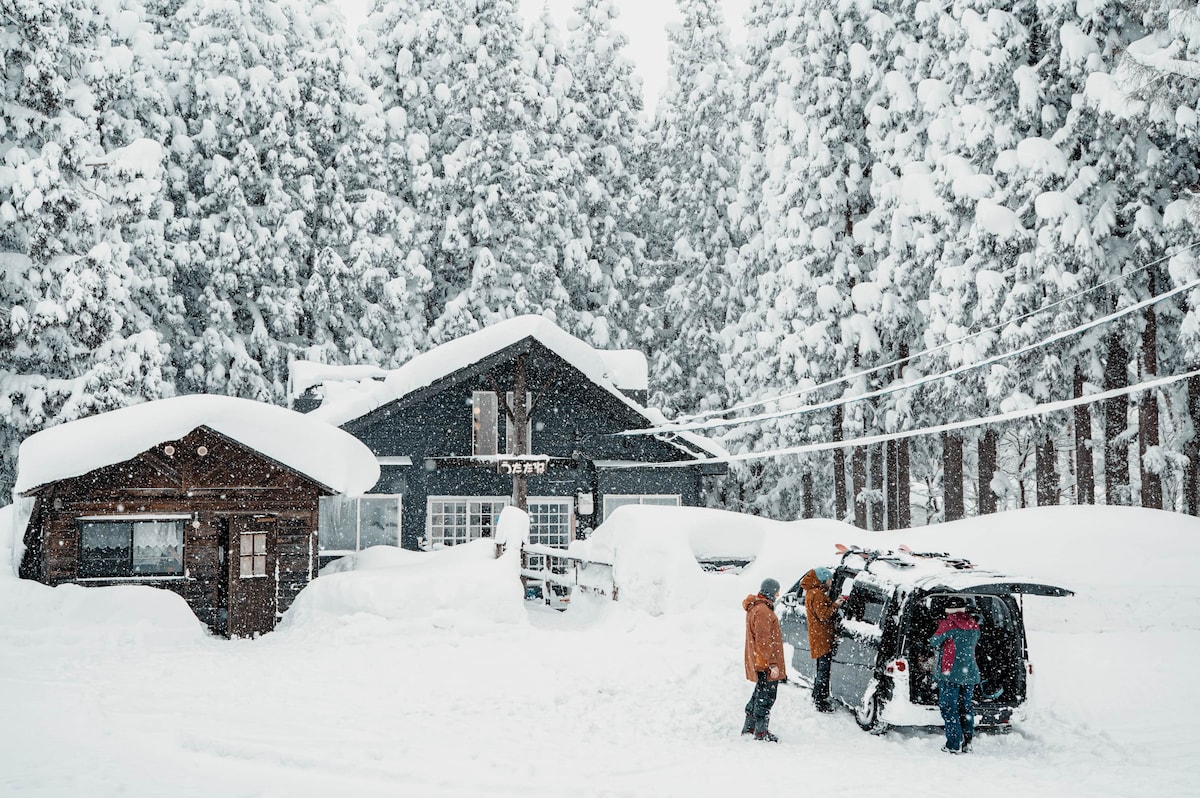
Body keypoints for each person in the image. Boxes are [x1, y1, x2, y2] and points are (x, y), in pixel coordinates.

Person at [929, 594, 982, 753]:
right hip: (970, 673)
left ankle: (953, 743)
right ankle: (967, 742)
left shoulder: (948, 624)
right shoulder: (974, 624)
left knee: (949, 707)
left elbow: (933, 642)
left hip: (950, 673)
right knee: (965, 708)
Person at [742, 577, 787, 742]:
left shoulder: (757, 608)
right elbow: (763, 641)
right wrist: (773, 664)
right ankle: (761, 732)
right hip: (765, 663)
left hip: (760, 661)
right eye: (776, 591)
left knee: (759, 694)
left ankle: (750, 727)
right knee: (766, 696)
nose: (777, 594)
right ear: (770, 592)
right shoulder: (763, 612)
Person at [801, 566, 844, 712]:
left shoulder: (812, 592)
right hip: (822, 637)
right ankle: (820, 700)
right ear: (823, 579)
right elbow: (824, 615)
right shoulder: (817, 594)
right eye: (830, 579)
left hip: (818, 636)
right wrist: (836, 604)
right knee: (823, 670)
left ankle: (817, 695)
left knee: (821, 668)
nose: (831, 582)